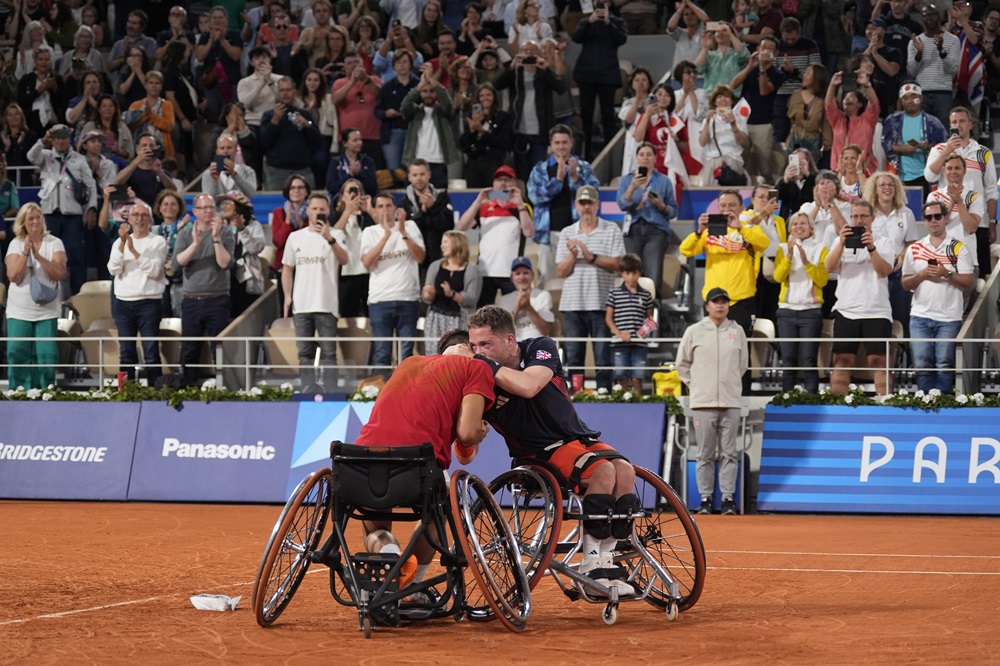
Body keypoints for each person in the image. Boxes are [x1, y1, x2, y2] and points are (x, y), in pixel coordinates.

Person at [465, 305, 640, 596]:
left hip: (576, 437)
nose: (479, 352)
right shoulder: (479, 377)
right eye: (474, 346)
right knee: (604, 471)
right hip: (536, 455)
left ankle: (607, 561)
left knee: (625, 470)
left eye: (486, 344)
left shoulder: (539, 346)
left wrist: (487, 367)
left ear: (510, 340)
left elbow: (530, 385)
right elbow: (467, 445)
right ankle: (590, 566)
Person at [353, 328, 496, 589]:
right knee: (439, 512)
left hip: (359, 462)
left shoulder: (409, 363)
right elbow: (466, 437)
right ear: (471, 349)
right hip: (415, 469)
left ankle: (388, 554)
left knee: (375, 529)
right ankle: (409, 587)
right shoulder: (476, 368)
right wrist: (479, 432)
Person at [676, 286, 747, 516]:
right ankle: (705, 498)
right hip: (702, 402)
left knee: (729, 453)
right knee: (704, 453)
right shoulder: (694, 331)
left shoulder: (737, 331)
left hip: (730, 401)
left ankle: (728, 499)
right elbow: (682, 365)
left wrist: (731, 384)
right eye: (715, 301)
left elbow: (742, 365)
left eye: (724, 301)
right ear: (707, 306)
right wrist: (696, 385)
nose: (720, 305)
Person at [900, 200, 975, 394]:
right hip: (919, 315)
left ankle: (942, 407)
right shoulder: (915, 248)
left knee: (944, 364)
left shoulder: (959, 247)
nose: (933, 221)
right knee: (922, 364)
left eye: (937, 216)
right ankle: (926, 405)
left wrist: (946, 274)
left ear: (945, 218)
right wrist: (921, 276)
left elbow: (969, 282)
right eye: (928, 217)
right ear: (924, 221)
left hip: (948, 317)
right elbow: (905, 283)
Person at [556, 185, 626, 391]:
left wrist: (589, 256)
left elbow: (619, 264)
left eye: (590, 203)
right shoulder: (567, 232)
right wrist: (572, 255)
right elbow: (560, 272)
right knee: (574, 355)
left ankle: (604, 393)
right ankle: (575, 394)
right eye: (582, 203)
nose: (586, 207)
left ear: (597, 205)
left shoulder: (611, 228)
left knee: (603, 355)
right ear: (576, 205)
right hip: (572, 304)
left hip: (602, 303)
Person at [823, 200, 894, 396]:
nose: (859, 220)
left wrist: (871, 248)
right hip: (846, 309)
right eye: (855, 216)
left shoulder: (883, 241)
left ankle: (886, 407)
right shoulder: (840, 240)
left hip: (877, 310)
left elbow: (884, 271)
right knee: (842, 360)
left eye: (863, 216)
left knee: (879, 361)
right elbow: (828, 268)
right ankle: (838, 408)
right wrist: (842, 243)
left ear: (872, 218)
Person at [282, 192, 349, 391]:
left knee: (329, 353)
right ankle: (307, 390)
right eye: (314, 209)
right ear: (307, 211)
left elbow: (345, 260)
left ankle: (330, 392)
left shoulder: (336, 234)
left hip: (327, 304)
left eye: (322, 209)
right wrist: (287, 296)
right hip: (301, 305)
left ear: (328, 211)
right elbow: (287, 267)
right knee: (304, 353)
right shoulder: (295, 237)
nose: (318, 212)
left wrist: (329, 238)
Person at [680, 190, 769, 337]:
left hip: (742, 300)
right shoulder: (708, 232)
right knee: (713, 348)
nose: (727, 208)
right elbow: (685, 250)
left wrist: (740, 228)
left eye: (732, 205)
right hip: (713, 300)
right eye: (723, 205)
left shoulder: (750, 229)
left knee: (740, 349)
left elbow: (764, 243)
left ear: (741, 208)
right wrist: (698, 231)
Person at [924, 106, 997, 277]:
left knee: (979, 274)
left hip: (976, 220)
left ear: (971, 124)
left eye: (962, 121)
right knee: (948, 271)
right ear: (949, 125)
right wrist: (948, 151)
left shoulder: (983, 152)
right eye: (954, 122)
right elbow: (929, 176)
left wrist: (992, 221)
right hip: (948, 221)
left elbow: (991, 190)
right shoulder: (939, 150)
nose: (959, 125)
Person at [172, 193, 236, 382]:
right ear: (195, 212)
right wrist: (195, 244)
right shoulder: (185, 233)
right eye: (204, 208)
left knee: (220, 350)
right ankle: (189, 390)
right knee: (190, 350)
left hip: (217, 299)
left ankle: (223, 390)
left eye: (211, 207)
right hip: (191, 300)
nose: (209, 211)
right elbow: (177, 264)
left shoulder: (225, 232)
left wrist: (215, 238)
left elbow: (224, 263)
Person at [27, 123, 97, 296]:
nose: (60, 142)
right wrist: (44, 139)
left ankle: (78, 294)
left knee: (76, 253)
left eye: (63, 138)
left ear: (69, 139)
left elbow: (91, 185)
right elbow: (30, 156)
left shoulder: (78, 159)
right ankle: (48, 290)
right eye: (56, 138)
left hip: (72, 213)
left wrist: (91, 209)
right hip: (50, 213)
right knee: (47, 252)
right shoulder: (45, 155)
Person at [526, 123, 598, 288]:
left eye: (564, 142)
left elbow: (593, 196)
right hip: (548, 234)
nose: (561, 146)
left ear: (571, 142)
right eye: (557, 143)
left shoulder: (584, 167)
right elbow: (534, 197)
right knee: (547, 281)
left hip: (578, 233)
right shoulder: (540, 170)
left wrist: (575, 177)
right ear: (551, 144)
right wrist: (557, 181)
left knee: (578, 281)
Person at [4, 203, 67, 390]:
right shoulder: (15, 244)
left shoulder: (54, 243)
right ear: (23, 222)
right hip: (19, 311)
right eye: (30, 218)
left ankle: (45, 392)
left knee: (47, 355)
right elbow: (13, 276)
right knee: (17, 352)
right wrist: (25, 252)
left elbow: (59, 273)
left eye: (38, 218)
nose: (35, 221)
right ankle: (18, 392)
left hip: (46, 312)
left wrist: (38, 256)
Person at [361, 192, 425, 372]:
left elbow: (420, 257)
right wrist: (385, 236)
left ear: (395, 208)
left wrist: (403, 232)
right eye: (380, 207)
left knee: (407, 355)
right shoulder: (370, 232)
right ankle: (380, 397)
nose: (385, 210)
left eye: (388, 206)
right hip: (380, 300)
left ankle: (407, 397)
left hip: (408, 299)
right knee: (382, 352)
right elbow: (367, 262)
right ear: (374, 209)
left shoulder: (410, 226)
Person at [107, 199, 168, 384]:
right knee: (125, 352)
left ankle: (155, 393)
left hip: (149, 303)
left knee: (151, 351)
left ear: (150, 220)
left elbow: (155, 270)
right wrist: (122, 245)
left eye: (144, 215)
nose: (139, 219)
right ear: (129, 220)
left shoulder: (158, 242)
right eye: (135, 215)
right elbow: (113, 269)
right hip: (123, 303)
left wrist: (132, 249)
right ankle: (124, 392)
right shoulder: (119, 242)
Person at [457, 164, 534, 307]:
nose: (503, 183)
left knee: (511, 315)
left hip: (511, 273)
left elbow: (529, 232)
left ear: (514, 183)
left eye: (507, 179)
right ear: (493, 184)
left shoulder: (522, 208)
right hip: (484, 273)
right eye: (499, 180)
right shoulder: (484, 208)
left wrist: (520, 204)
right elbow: (462, 226)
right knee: (484, 316)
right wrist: (478, 202)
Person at [494, 40, 568, 182]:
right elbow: (496, 85)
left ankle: (538, 200)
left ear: (539, 54)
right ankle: (525, 202)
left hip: (540, 131)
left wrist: (546, 69)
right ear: (519, 53)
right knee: (522, 171)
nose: (529, 54)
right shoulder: (515, 74)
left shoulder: (544, 73)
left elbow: (561, 88)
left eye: (533, 51)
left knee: (539, 170)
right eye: (525, 51)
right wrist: (511, 67)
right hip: (519, 131)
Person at [772, 211, 828, 392]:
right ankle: (787, 401)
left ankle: (811, 403)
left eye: (803, 223)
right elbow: (778, 277)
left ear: (811, 227)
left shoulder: (821, 248)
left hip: (811, 311)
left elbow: (822, 280)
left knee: (809, 360)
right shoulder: (781, 249)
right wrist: (789, 256)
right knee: (788, 360)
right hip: (786, 311)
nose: (799, 227)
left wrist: (805, 261)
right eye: (795, 224)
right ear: (790, 228)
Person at [616, 142, 678, 297]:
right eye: (641, 155)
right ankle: (630, 306)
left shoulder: (664, 181)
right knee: (631, 270)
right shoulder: (626, 180)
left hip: (656, 231)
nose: (645, 158)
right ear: (636, 158)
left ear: (655, 158)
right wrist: (632, 188)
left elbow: (673, 211)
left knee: (652, 272)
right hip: (633, 230)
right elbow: (622, 205)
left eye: (649, 155)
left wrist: (661, 206)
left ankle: (653, 311)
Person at [864, 171, 919, 336]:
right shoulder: (868, 214)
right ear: (875, 189)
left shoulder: (906, 213)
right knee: (876, 320)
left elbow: (911, 242)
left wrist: (902, 254)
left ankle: (904, 356)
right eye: (882, 185)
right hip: (874, 272)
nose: (887, 188)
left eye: (891, 185)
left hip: (897, 272)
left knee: (900, 317)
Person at [570, 0, 627, 161]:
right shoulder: (585, 21)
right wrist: (589, 22)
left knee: (607, 115)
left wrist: (609, 22)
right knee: (586, 114)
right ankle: (585, 156)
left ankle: (608, 156)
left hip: (607, 74)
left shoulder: (617, 21)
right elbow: (576, 37)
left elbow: (621, 39)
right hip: (586, 73)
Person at [730, 36, 784, 186]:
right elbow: (733, 85)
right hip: (742, 123)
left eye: (769, 48)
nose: (765, 51)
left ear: (776, 53)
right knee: (740, 162)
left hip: (763, 124)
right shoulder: (750, 68)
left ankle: (771, 196)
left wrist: (761, 68)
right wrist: (749, 67)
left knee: (764, 166)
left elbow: (764, 91)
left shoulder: (777, 74)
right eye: (762, 47)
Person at [880, 82, 946, 194]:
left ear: (920, 98)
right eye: (905, 98)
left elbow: (944, 148)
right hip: (898, 176)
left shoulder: (933, 122)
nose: (909, 101)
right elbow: (886, 144)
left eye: (913, 97)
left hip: (925, 176)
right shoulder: (893, 121)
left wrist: (928, 147)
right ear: (901, 101)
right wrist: (902, 148)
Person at [421, 230, 482, 349]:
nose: (441, 246)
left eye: (445, 242)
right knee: (434, 355)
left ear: (456, 243)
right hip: (435, 319)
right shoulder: (435, 266)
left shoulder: (472, 270)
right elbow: (426, 297)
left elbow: (472, 298)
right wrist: (429, 293)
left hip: (459, 320)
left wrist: (452, 294)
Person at [259, 77, 322, 190]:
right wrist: (274, 122)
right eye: (282, 90)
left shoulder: (306, 115)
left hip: (303, 170)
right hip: (277, 172)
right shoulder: (268, 116)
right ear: (278, 93)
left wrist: (307, 125)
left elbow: (318, 141)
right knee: (275, 206)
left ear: (295, 92)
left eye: (288, 90)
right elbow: (264, 143)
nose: (285, 93)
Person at [605, 253, 654, 395]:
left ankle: (638, 402)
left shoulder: (645, 295)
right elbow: (608, 318)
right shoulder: (614, 293)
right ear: (622, 274)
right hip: (619, 342)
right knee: (622, 376)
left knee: (638, 376)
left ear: (640, 272)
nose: (631, 277)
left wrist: (641, 333)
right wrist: (619, 334)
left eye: (634, 273)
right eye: (627, 273)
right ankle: (622, 402)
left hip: (638, 343)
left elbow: (649, 319)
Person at [905, 5, 959, 129]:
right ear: (922, 19)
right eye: (925, 15)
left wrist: (941, 50)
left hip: (943, 93)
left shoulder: (953, 40)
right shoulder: (914, 42)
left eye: (932, 15)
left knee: (943, 130)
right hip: (921, 93)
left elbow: (952, 70)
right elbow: (912, 72)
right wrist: (919, 54)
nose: (929, 18)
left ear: (939, 17)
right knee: (922, 131)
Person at [400, 74, 457, 189]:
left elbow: (447, 102)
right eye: (424, 91)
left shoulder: (443, 112)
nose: (428, 94)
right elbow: (405, 106)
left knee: (439, 198)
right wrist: (418, 87)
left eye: (432, 91)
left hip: (438, 162)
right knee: (415, 199)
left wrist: (433, 81)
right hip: (416, 162)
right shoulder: (414, 112)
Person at [398, 159, 455, 269]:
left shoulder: (441, 198)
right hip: (414, 260)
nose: (419, 178)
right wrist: (422, 211)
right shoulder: (404, 203)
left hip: (439, 257)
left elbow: (448, 227)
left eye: (422, 174)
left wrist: (433, 207)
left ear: (429, 175)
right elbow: (406, 231)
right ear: (409, 177)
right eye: (415, 175)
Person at [217, 191, 266, 318]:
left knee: (245, 316)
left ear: (239, 206)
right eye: (223, 203)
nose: (224, 206)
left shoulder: (254, 225)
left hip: (245, 278)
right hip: (224, 277)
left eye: (228, 203)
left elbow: (255, 248)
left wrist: (242, 229)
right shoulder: (220, 225)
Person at [825, 70, 880, 176]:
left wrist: (867, 85)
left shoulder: (868, 120)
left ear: (860, 104)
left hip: (864, 171)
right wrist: (832, 85)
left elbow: (874, 104)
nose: (846, 100)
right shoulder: (837, 119)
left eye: (850, 97)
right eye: (845, 98)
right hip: (839, 171)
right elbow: (828, 105)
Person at [458, 83, 512, 188]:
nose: (485, 98)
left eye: (488, 95)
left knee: (498, 196)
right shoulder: (471, 117)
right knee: (473, 198)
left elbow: (504, 143)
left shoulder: (503, 117)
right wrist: (472, 130)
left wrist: (482, 130)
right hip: (473, 164)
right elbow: (463, 144)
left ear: (494, 97)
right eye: (481, 96)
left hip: (494, 164)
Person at [374, 48, 418, 176]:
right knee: (394, 171)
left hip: (413, 132)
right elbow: (377, 110)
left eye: (405, 62)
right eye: (398, 63)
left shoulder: (418, 85)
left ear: (410, 65)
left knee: (413, 170)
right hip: (392, 132)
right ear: (393, 66)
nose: (402, 65)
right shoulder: (387, 87)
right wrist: (386, 113)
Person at [698, 84, 749, 186]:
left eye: (726, 96)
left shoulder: (739, 119)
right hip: (713, 161)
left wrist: (733, 124)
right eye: (719, 97)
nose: (723, 99)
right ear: (714, 101)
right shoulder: (709, 119)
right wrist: (707, 122)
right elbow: (702, 142)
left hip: (733, 160)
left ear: (731, 100)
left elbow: (741, 141)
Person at [114, 132, 175, 211]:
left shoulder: (162, 172)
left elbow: (173, 191)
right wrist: (138, 160)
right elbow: (116, 184)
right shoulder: (129, 171)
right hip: (136, 217)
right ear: (137, 149)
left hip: (157, 217)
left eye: (151, 145)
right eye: (144, 146)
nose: (148, 148)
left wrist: (159, 173)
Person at [497, 255, 553, 338]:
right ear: (512, 278)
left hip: (538, 344)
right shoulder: (504, 300)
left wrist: (528, 307)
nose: (522, 277)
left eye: (526, 273)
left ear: (533, 275)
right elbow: (501, 331)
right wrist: (517, 308)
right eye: (517, 274)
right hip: (513, 346)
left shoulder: (543, 295)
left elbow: (546, 330)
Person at [785, 63, 828, 166]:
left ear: (817, 78)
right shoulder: (795, 97)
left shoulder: (823, 102)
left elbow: (826, 127)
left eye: (808, 73)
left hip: (814, 146)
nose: (804, 75)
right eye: (804, 73)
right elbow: (792, 122)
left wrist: (827, 148)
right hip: (795, 144)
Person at [155, 189, 189, 318]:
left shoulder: (188, 228)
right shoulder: (153, 230)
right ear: (160, 208)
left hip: (182, 280)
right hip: (160, 280)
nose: (169, 207)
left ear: (179, 208)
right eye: (166, 204)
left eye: (173, 204)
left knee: (180, 316)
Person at [202, 132, 257, 199]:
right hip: (219, 209)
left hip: (240, 209)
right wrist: (215, 183)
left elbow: (251, 194)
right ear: (217, 151)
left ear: (236, 149)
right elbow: (209, 200)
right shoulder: (209, 174)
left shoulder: (247, 171)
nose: (225, 151)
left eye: (229, 148)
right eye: (222, 148)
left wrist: (234, 175)